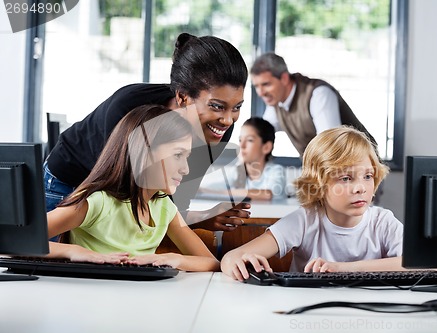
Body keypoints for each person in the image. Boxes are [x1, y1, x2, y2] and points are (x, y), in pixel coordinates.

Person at [44, 32, 250, 232]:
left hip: (116, 202)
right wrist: (198, 219)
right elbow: (125, 200)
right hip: (68, 184)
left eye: (237, 107)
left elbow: (172, 204)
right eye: (216, 106)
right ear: (183, 97)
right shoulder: (128, 107)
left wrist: (204, 216)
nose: (227, 120)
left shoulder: (216, 130)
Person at [46, 104, 219, 272]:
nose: (186, 169)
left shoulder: (164, 207)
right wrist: (73, 251)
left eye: (186, 157)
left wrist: (174, 259)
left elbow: (211, 262)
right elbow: (20, 239)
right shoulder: (98, 202)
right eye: (178, 155)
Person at [221, 126, 403, 281]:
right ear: (318, 185)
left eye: (368, 176)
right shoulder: (305, 220)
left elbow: (426, 265)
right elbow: (231, 258)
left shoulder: (383, 222)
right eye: (346, 178)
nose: (360, 188)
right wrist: (233, 262)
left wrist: (343, 269)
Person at [250, 52, 376, 157]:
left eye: (266, 84)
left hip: (362, 169)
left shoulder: (318, 94)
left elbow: (330, 146)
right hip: (329, 172)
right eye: (256, 86)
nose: (261, 93)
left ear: (284, 78)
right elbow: (260, 133)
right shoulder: (276, 102)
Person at [199, 117, 286, 201]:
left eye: (249, 140)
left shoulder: (276, 170)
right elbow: (209, 186)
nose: (242, 146)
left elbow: (267, 194)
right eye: (240, 140)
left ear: (266, 147)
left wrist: (223, 193)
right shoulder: (237, 171)